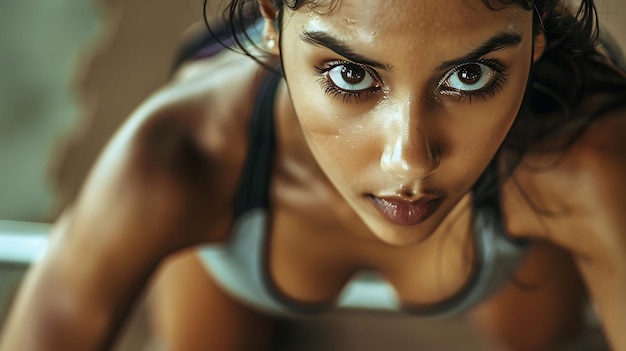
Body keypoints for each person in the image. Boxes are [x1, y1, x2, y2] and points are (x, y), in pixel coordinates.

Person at [1, 0, 625, 350]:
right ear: (272, 20)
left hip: (519, 217)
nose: (407, 160)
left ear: (535, 41)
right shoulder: (181, 159)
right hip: (243, 199)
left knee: (546, 343)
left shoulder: (578, 160)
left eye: (469, 77)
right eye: (351, 75)